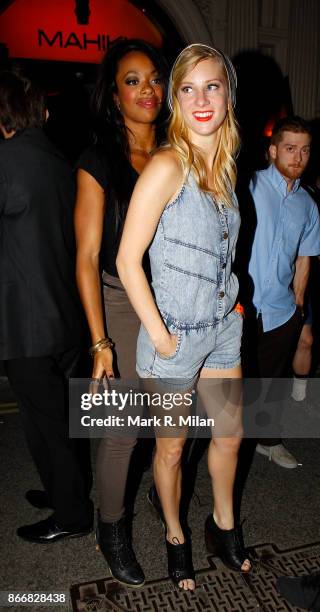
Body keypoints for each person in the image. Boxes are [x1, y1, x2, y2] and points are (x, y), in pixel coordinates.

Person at [117, 43, 251, 591]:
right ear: (175, 98)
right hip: (174, 337)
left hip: (223, 329)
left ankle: (222, 526)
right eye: (188, 88)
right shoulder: (166, 166)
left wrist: (232, 301)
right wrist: (159, 334)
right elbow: (127, 260)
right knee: (171, 448)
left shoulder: (226, 168)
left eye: (212, 86)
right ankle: (175, 534)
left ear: (227, 96)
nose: (201, 99)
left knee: (230, 435)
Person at [75, 38, 167, 587]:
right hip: (119, 302)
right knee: (121, 431)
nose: (147, 90)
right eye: (132, 81)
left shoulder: (179, 151)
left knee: (175, 424)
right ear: (114, 95)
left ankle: (163, 493)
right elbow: (86, 258)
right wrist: (100, 341)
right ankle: (110, 529)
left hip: (175, 306)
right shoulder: (99, 159)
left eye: (154, 78)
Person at [0, 70, 93, 542]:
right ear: (44, 112)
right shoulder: (61, 161)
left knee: (46, 425)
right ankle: (65, 491)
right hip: (65, 316)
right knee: (62, 419)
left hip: (26, 323)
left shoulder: (5, 160)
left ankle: (72, 514)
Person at [242, 116, 320, 468]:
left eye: (304, 150)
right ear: (273, 150)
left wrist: (299, 307)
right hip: (241, 308)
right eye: (290, 148)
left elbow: (305, 256)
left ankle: (268, 441)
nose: (297, 157)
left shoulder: (308, 204)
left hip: (280, 309)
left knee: (272, 382)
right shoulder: (250, 186)